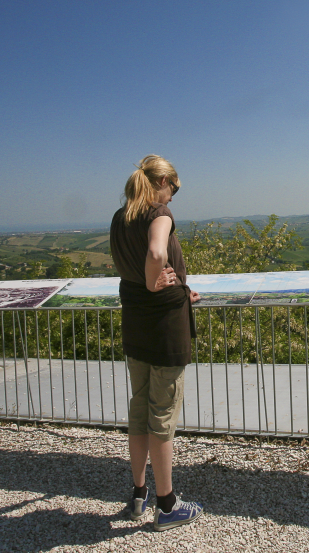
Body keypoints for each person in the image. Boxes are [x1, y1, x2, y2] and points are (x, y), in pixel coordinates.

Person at [110, 155, 204, 531]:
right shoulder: (158, 212)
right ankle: (167, 505)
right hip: (164, 326)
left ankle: (138, 493)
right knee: (162, 414)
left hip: (136, 322)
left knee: (139, 408)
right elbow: (155, 254)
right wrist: (156, 284)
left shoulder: (121, 217)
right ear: (162, 182)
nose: (173, 195)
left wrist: (179, 287)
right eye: (174, 187)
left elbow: (136, 266)